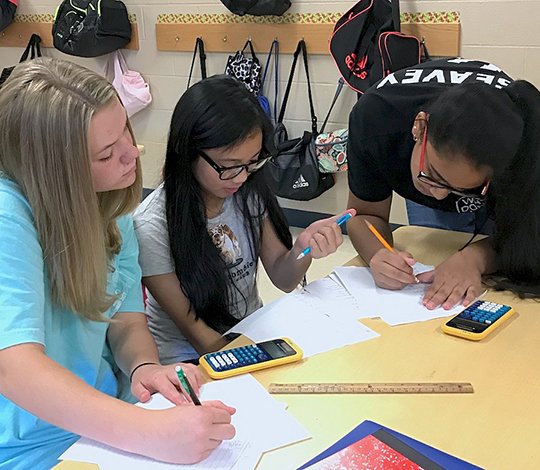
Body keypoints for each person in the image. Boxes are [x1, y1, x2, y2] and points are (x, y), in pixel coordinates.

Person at [0, 57, 236, 469]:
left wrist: (144, 366)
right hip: (31, 445)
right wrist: (150, 434)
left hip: (103, 418)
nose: (132, 154)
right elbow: (15, 367)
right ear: (57, 172)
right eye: (107, 153)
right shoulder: (7, 215)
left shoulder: (111, 207)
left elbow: (126, 320)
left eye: (125, 129)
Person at [134, 75, 354, 365]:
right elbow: (199, 334)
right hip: (187, 361)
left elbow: (282, 277)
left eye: (253, 162)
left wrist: (304, 247)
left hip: (247, 335)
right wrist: (257, 360)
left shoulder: (247, 191)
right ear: (187, 152)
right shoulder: (152, 225)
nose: (241, 177)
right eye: (228, 167)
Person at [345, 58, 540, 310]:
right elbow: (363, 215)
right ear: (419, 127)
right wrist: (378, 255)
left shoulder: (523, 148)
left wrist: (475, 258)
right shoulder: (375, 121)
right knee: (433, 267)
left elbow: (526, 236)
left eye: (462, 188)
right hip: (400, 125)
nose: (438, 197)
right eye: (432, 175)